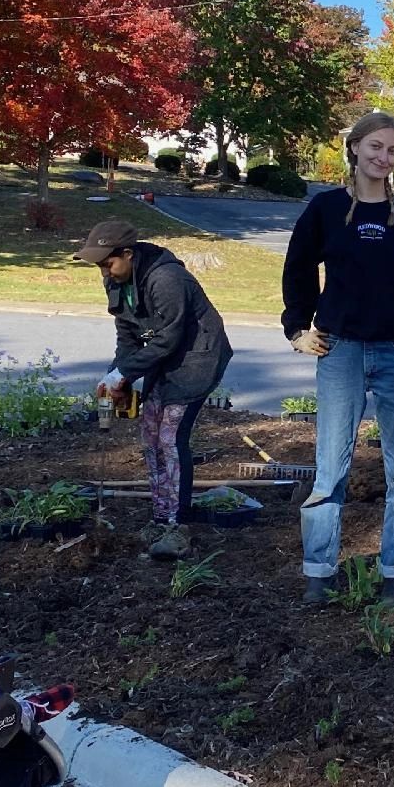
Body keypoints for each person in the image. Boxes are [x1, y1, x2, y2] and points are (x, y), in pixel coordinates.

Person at [282, 111, 394, 606]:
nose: (383, 157)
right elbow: (297, 268)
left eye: (392, 150)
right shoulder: (327, 211)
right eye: (375, 147)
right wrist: (297, 326)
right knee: (330, 468)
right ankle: (320, 571)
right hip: (341, 349)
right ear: (354, 148)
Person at [78, 220, 233, 559]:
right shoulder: (116, 279)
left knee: (170, 439)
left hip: (196, 357)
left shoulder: (167, 279)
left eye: (107, 263)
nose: (103, 272)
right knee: (150, 436)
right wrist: (118, 375)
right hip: (163, 358)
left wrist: (125, 372)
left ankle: (179, 527)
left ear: (128, 254)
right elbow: (128, 336)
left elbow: (169, 338)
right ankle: (160, 517)